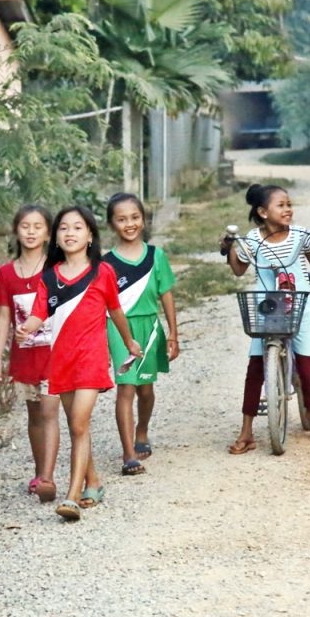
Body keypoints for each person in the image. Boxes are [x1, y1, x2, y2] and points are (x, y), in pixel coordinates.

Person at [16, 206, 142, 522]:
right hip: (61, 361)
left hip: (92, 360)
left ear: (89, 236)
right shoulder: (49, 277)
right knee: (77, 424)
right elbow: (38, 313)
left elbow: (115, 311)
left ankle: (72, 497)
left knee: (78, 424)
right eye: (63, 228)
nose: (70, 233)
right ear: (57, 236)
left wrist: (129, 342)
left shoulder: (103, 272)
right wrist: (27, 327)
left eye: (77, 227)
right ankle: (94, 482)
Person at [220, 184, 310, 454]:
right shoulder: (252, 240)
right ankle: (246, 430)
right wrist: (230, 250)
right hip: (269, 307)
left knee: (307, 364)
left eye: (289, 204)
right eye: (280, 205)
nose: (288, 209)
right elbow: (238, 270)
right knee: (256, 367)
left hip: (299, 303)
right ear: (262, 212)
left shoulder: (300, 235)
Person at [103, 193, 179, 476]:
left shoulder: (156, 256)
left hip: (150, 327)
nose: (129, 224)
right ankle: (128, 452)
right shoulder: (106, 263)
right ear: (112, 224)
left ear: (143, 219)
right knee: (126, 387)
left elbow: (166, 294)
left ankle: (142, 429)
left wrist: (173, 333)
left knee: (145, 390)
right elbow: (103, 306)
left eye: (135, 217)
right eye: (121, 219)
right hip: (119, 328)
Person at [0, 204, 59, 503]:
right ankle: (39, 470)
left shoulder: (56, 269)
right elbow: (5, 316)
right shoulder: (6, 273)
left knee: (48, 411)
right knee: (33, 415)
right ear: (16, 231)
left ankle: (48, 477)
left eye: (37, 226)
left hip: (54, 355)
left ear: (47, 233)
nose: (31, 232)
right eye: (25, 226)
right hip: (24, 356)